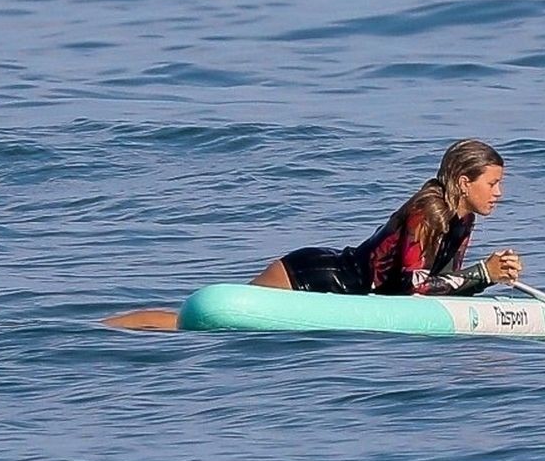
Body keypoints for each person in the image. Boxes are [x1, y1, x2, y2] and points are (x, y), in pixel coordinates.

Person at [102, 139, 521, 331]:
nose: (499, 193)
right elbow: (416, 286)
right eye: (493, 183)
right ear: (463, 182)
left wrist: (488, 278)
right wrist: (483, 274)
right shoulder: (427, 212)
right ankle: (104, 328)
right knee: (195, 324)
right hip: (317, 276)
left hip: (348, 291)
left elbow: (440, 284)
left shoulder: (462, 220)